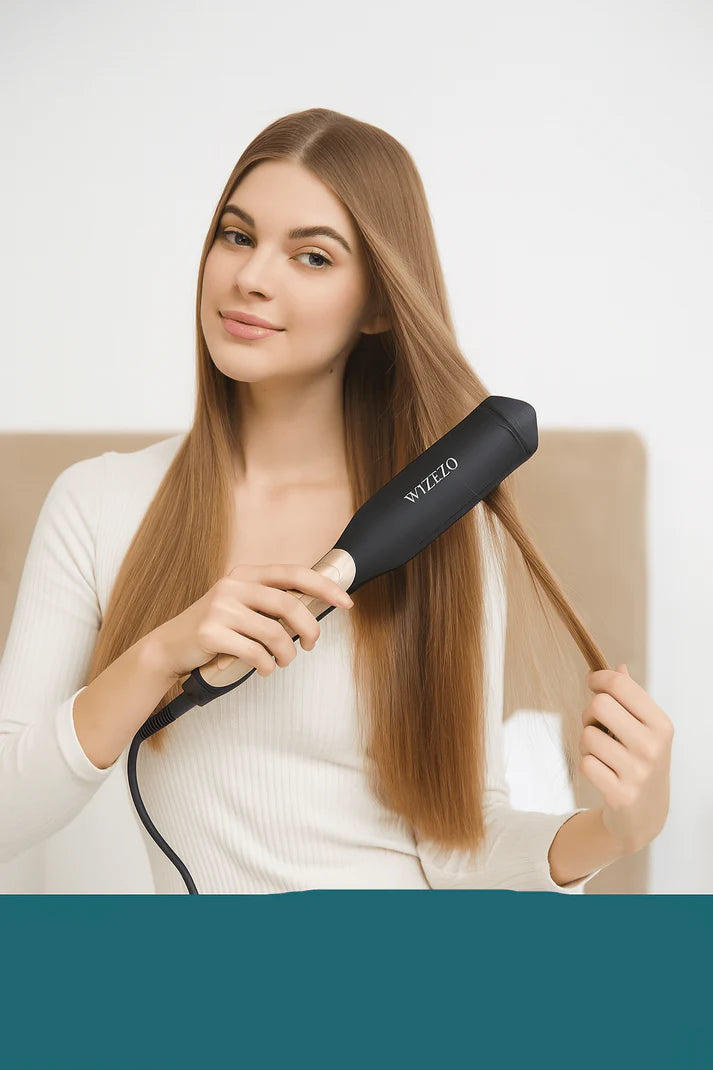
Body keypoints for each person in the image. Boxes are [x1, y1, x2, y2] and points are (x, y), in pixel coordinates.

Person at [0, 108, 671, 893]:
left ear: (379, 304)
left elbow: (459, 846)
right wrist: (158, 655)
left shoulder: (442, 527)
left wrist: (611, 831)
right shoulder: (97, 505)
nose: (252, 277)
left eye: (311, 256)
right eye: (237, 236)